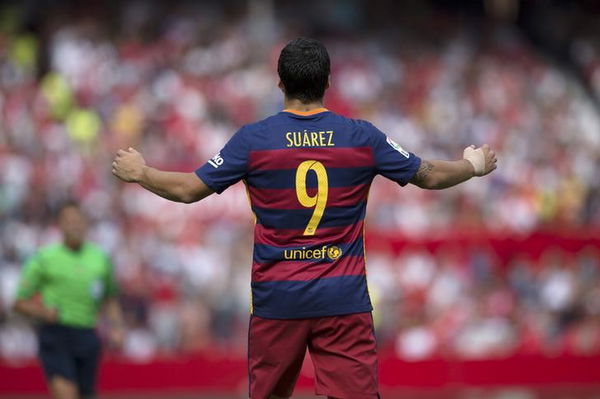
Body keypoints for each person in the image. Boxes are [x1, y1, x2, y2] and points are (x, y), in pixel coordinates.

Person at [111, 37, 497, 399]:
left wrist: (141, 172)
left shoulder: (254, 140)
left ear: (279, 83)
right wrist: (473, 164)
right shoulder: (360, 137)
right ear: (328, 80)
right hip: (343, 297)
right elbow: (427, 175)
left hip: (278, 297)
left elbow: (189, 189)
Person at [13, 201, 125, 399]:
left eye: (78, 220)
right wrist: (43, 312)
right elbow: (19, 302)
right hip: (57, 334)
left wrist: (116, 327)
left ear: (85, 223)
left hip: (88, 335)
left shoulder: (100, 258)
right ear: (60, 225)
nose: (74, 225)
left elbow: (110, 297)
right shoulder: (44, 258)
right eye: (69, 220)